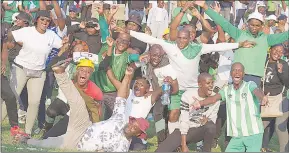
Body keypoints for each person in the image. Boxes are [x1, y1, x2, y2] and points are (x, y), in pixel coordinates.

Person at [14, 65, 149, 152]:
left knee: (44, 145)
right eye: (132, 123)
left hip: (76, 143)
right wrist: (128, 75)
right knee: (78, 103)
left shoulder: (122, 148)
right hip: (84, 126)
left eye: (134, 128)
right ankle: (60, 73)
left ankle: (26, 140)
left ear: (138, 134)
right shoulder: (121, 120)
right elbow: (121, 96)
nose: (130, 126)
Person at [194, 1, 289, 86]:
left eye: (257, 25)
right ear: (247, 24)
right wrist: (205, 7)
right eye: (252, 25)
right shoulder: (239, 34)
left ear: (261, 26)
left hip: (255, 78)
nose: (254, 27)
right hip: (238, 76)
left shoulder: (267, 39)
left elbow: (285, 35)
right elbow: (223, 23)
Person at [7, 10, 67, 135]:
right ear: (36, 20)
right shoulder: (27, 31)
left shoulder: (51, 34)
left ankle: (27, 132)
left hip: (39, 72)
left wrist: (65, 44)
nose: (45, 22)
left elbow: (62, 45)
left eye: (47, 20)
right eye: (42, 19)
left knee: (34, 102)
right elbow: (9, 36)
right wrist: (12, 44)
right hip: (20, 68)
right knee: (11, 97)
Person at [192, 62, 269, 152]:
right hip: (237, 136)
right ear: (230, 73)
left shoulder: (249, 85)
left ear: (243, 74)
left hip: (253, 134)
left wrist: (262, 97)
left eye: (239, 70)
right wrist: (200, 103)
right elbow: (213, 99)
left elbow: (256, 91)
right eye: (234, 70)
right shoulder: (226, 89)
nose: (237, 72)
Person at [156, 73, 220, 152]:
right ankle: (178, 146)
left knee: (211, 126)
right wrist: (184, 145)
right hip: (184, 131)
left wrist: (208, 121)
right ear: (199, 84)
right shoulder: (188, 96)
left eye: (212, 83)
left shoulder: (215, 99)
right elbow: (184, 121)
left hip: (200, 130)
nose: (211, 86)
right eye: (208, 83)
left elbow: (213, 121)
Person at [261, 44, 289, 152]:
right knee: (259, 127)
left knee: (279, 127)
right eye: (276, 50)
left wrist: (281, 72)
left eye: (281, 51)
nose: (278, 53)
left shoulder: (283, 63)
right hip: (266, 100)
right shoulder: (264, 61)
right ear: (270, 49)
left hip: (280, 100)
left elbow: (287, 83)